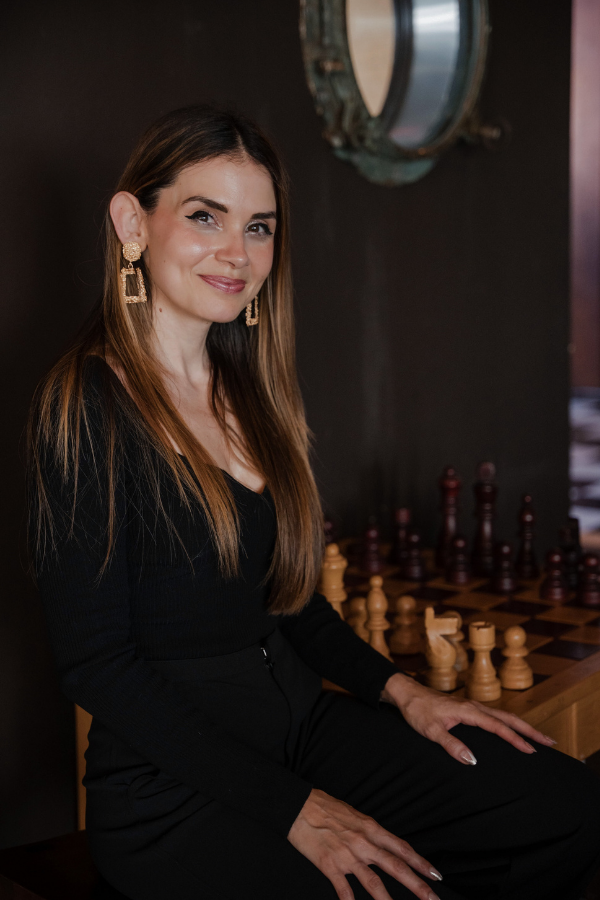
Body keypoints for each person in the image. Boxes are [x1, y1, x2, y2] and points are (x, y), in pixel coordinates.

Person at [28, 105, 600, 900]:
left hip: (305, 731)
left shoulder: (249, 389)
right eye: (205, 217)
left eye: (259, 227)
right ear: (133, 220)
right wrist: (295, 809)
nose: (238, 253)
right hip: (176, 791)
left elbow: (291, 605)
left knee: (571, 809)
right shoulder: (84, 405)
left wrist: (404, 693)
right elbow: (99, 669)